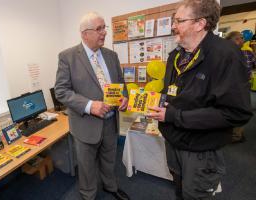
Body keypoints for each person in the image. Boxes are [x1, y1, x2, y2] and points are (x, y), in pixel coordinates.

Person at [146, 0, 253, 199]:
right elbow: (173, 92)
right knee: (179, 190)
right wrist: (156, 103)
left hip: (200, 150)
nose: (172, 26)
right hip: (173, 142)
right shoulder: (175, 56)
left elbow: (237, 113)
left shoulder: (225, 55)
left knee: (194, 195)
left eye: (179, 20)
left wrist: (176, 116)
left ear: (200, 23)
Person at [55, 12, 129, 200]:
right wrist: (89, 105)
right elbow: (61, 91)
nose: (104, 32)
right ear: (84, 33)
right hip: (85, 124)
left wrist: (125, 98)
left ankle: (110, 187)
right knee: (87, 167)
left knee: (109, 159)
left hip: (111, 122)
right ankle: (88, 195)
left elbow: (121, 84)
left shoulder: (111, 56)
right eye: (99, 29)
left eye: (105, 27)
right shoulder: (67, 57)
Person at [225, 31, 256, 143]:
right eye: (240, 38)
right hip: (232, 88)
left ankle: (235, 134)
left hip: (238, 87)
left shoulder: (247, 52)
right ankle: (235, 135)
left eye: (242, 38)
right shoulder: (245, 53)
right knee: (237, 111)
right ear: (236, 40)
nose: (243, 40)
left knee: (236, 111)